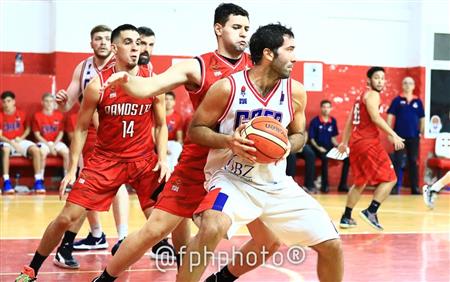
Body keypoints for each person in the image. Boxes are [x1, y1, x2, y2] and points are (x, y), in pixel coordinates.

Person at [93, 4, 283, 282]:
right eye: (236, 27)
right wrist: (127, 81)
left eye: (246, 28)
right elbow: (150, 86)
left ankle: (217, 279)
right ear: (219, 29)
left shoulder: (257, 67)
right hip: (199, 162)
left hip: (239, 167)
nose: (244, 34)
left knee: (270, 240)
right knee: (155, 230)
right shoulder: (198, 66)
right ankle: (105, 279)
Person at [183, 23, 343, 282]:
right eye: (290, 50)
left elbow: (300, 135)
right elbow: (196, 130)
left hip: (275, 183)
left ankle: (221, 278)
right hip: (231, 178)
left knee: (331, 245)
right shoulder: (227, 88)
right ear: (269, 53)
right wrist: (229, 141)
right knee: (212, 227)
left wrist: (287, 145)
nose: (295, 57)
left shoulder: (295, 91)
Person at [15, 24, 170, 282]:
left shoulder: (152, 82)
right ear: (115, 48)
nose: (136, 48)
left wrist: (163, 159)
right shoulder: (97, 85)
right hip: (106, 160)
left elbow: (162, 124)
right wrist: (71, 169)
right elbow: (81, 128)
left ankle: (163, 257)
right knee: (67, 217)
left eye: (139, 43)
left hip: (143, 160)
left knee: (166, 218)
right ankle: (31, 270)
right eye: (129, 42)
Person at [52, 25, 128, 269]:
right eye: (98, 39)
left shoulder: (122, 64)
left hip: (117, 129)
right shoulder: (83, 68)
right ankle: (97, 235)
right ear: (91, 43)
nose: (103, 42)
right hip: (91, 131)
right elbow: (68, 105)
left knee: (112, 183)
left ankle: (123, 236)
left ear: (114, 43)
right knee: (91, 183)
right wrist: (63, 102)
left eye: (107, 38)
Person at [338, 67, 405, 231]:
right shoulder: (373, 95)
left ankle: (346, 217)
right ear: (368, 80)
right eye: (377, 78)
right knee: (391, 179)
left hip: (356, 144)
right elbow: (375, 118)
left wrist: (344, 142)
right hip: (368, 143)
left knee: (360, 182)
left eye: (383, 78)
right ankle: (371, 211)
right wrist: (393, 134)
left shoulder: (360, 97)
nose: (380, 81)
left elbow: (349, 122)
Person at [0, 91, 44, 194]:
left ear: (14, 101)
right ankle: (6, 181)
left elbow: (28, 128)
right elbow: (0, 136)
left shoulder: (21, 113)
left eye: (9, 101)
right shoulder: (1, 115)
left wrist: (21, 138)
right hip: (6, 141)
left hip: (19, 140)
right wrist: (12, 143)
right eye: (4, 102)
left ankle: (38, 181)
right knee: (5, 150)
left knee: (36, 150)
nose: (6, 104)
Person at [387, 77, 424, 194]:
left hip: (414, 137)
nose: (408, 85)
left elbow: (422, 118)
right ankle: (394, 187)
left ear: (413, 86)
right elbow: (390, 116)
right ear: (402, 85)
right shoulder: (397, 100)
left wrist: (420, 132)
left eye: (410, 83)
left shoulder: (418, 102)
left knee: (413, 161)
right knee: (397, 161)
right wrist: (390, 133)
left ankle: (415, 188)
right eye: (405, 83)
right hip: (399, 137)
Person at [309, 100, 349, 193]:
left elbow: (333, 138)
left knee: (347, 159)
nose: (326, 109)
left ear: (331, 109)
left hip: (329, 148)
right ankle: (324, 185)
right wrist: (319, 148)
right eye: (324, 107)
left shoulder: (333, 121)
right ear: (321, 108)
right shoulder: (315, 121)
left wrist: (339, 146)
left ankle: (342, 185)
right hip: (318, 148)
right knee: (325, 158)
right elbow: (312, 139)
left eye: (328, 107)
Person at [33, 93, 69, 177]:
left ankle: (66, 180)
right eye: (46, 101)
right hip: (42, 142)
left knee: (67, 153)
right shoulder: (37, 116)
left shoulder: (59, 115)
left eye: (51, 101)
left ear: (54, 103)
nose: (49, 103)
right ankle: (40, 179)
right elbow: (37, 135)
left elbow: (61, 133)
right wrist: (49, 146)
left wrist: (54, 145)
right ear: (42, 102)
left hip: (56, 142)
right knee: (41, 153)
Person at [165, 91, 183, 171]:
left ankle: (171, 172)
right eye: (166, 99)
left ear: (174, 102)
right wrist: (163, 147)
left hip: (172, 144)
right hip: (160, 144)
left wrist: (178, 147)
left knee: (176, 147)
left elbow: (179, 139)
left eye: (170, 99)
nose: (168, 102)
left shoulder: (178, 116)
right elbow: (154, 135)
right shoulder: (158, 115)